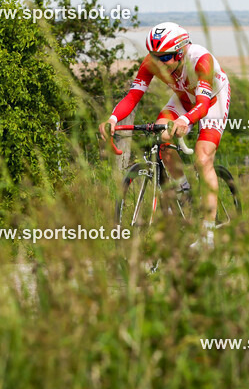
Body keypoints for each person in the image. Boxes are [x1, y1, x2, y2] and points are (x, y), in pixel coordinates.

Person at [99, 22, 231, 248]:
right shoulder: (153, 62)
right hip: (183, 99)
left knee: (202, 157)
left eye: (165, 57)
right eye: (154, 56)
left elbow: (202, 105)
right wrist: (112, 119)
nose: (158, 62)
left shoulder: (201, 60)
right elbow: (132, 97)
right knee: (163, 135)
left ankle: (207, 235)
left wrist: (185, 120)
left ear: (180, 52)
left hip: (211, 101)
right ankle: (185, 193)